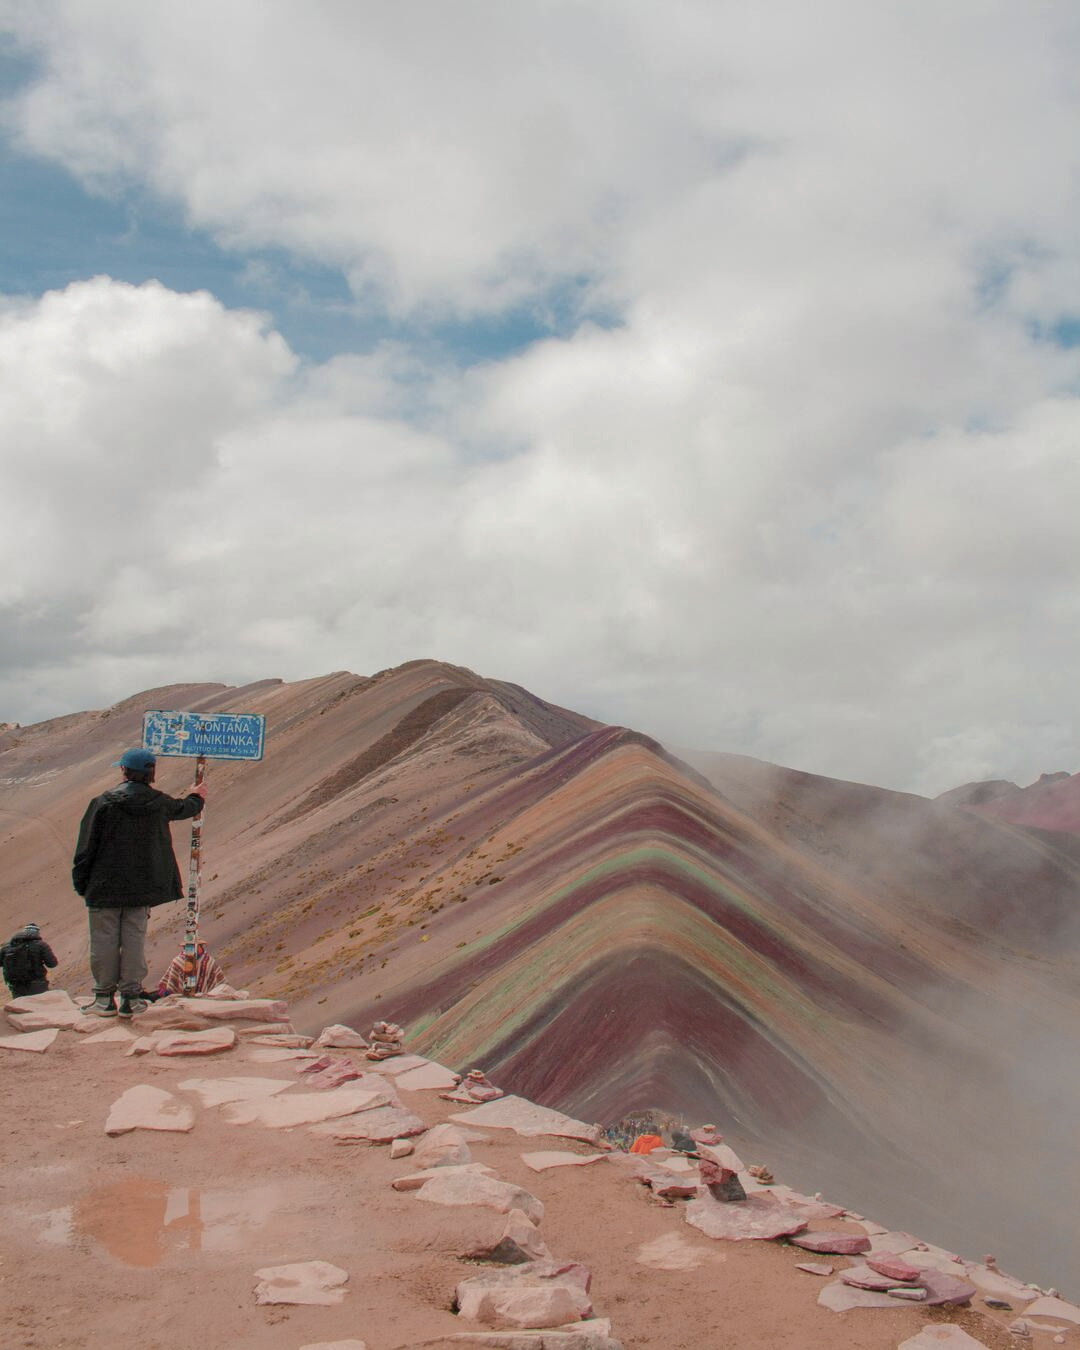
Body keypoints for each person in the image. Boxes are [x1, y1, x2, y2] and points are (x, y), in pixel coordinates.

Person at [72, 748, 205, 1018]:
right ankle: (131, 998)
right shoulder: (158, 802)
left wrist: (82, 882)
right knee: (134, 939)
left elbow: (85, 848)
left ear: (123, 771)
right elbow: (185, 808)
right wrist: (197, 795)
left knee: (103, 941)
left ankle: (104, 999)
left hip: (104, 887)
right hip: (142, 888)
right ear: (151, 773)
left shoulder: (103, 802)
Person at [0, 923, 58, 998]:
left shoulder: (7, 947)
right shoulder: (41, 945)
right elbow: (52, 964)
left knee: (20, 1007)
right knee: (41, 1006)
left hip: (15, 985)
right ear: (37, 933)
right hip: (37, 983)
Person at [154, 939, 224, 997]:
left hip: (205, 998)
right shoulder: (178, 961)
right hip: (183, 998)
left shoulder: (210, 961)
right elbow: (171, 981)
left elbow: (218, 980)